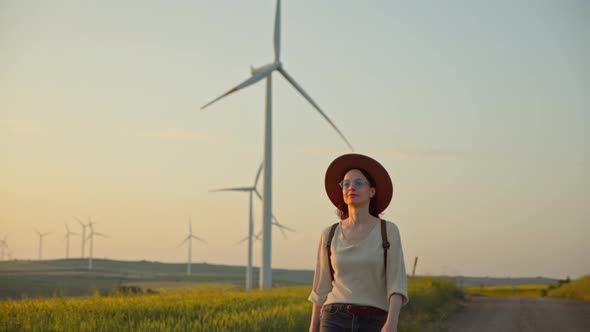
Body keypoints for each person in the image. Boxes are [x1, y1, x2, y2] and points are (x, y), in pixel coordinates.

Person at [308, 153, 409, 332]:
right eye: (345, 183)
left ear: (372, 191)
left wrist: (391, 323)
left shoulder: (388, 231)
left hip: (374, 320)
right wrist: (313, 328)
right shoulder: (329, 234)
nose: (351, 187)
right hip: (333, 319)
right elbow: (321, 288)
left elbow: (397, 283)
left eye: (358, 182)